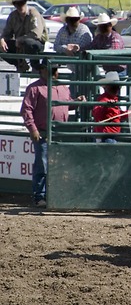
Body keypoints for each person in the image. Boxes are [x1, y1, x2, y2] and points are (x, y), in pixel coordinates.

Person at [20, 58, 86, 207]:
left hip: (59, 132)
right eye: (50, 69)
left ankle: (55, 195)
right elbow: (26, 110)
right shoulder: (34, 88)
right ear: (42, 70)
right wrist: (33, 129)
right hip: (43, 132)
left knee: (57, 164)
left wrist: (77, 101)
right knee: (42, 164)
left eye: (54, 69)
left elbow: (66, 105)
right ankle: (40, 196)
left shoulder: (62, 87)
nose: (53, 72)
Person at [0, 0, 48, 72]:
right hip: (20, 45)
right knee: (1, 46)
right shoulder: (13, 16)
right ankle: (20, 64)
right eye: (17, 3)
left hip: (38, 44)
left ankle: (35, 65)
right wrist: (2, 40)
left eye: (22, 2)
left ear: (25, 2)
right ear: (14, 4)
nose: (20, 5)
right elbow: (7, 33)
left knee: (29, 42)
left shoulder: (33, 13)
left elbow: (36, 34)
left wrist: (20, 39)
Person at [53, 7, 93, 73]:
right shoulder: (62, 30)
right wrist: (65, 49)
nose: (73, 21)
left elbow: (84, 47)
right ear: (66, 20)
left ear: (79, 20)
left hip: (86, 69)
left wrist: (74, 49)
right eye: (70, 19)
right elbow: (56, 46)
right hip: (72, 68)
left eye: (75, 19)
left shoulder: (84, 30)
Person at [92, 71, 127, 143]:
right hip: (105, 136)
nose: (116, 90)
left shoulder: (113, 100)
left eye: (117, 87)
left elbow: (117, 115)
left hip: (110, 135)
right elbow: (96, 114)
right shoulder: (103, 100)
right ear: (106, 88)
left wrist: (130, 113)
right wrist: (106, 106)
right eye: (113, 87)